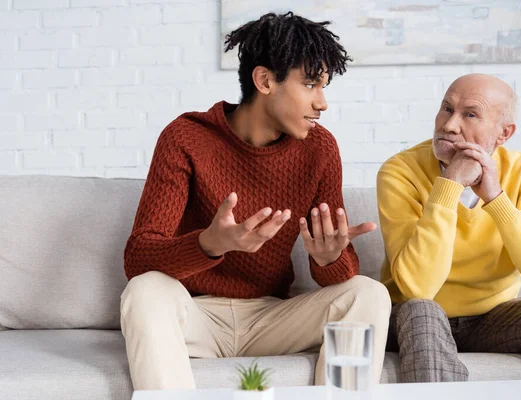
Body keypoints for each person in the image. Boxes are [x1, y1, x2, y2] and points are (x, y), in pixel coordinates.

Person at [120, 12, 391, 390]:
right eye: (310, 84)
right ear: (264, 80)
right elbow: (138, 257)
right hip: (195, 315)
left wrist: (330, 259)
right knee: (145, 290)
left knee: (368, 293)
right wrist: (210, 244)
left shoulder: (319, 149)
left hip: (272, 317)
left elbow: (337, 274)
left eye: (324, 86)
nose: (323, 102)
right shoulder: (186, 138)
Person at [377, 73, 521, 384]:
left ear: (503, 133)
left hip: (492, 320)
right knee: (422, 311)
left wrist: (496, 200)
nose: (449, 125)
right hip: (412, 319)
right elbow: (418, 288)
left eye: (470, 114)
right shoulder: (400, 171)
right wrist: (448, 187)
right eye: (446, 108)